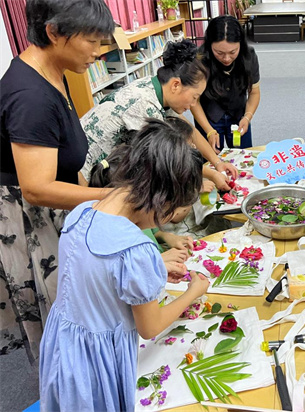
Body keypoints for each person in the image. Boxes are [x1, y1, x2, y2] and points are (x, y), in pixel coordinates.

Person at [39, 118, 211, 411]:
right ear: (162, 200)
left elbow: (95, 274)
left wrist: (154, 265)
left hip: (62, 344)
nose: (164, 221)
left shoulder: (80, 213)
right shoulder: (135, 249)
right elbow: (150, 327)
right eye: (170, 215)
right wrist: (192, 292)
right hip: (96, 361)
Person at [0, 0, 114, 361]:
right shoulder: (30, 96)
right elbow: (36, 188)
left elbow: (65, 154)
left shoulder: (55, 68)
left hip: (55, 206)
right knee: (63, 321)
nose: (98, 53)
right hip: (29, 218)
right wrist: (110, 197)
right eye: (92, 42)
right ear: (53, 32)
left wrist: (94, 202)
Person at [80, 39, 237, 191]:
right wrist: (204, 178)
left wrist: (217, 163)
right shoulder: (145, 106)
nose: (193, 105)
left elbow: (190, 130)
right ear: (176, 85)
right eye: (194, 97)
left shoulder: (157, 88)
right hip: (85, 178)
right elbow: (163, 161)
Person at [88, 140, 194, 281]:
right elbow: (131, 272)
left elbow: (150, 232)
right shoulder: (127, 242)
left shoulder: (132, 216)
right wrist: (158, 261)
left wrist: (165, 236)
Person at [191, 15, 261, 152]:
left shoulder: (249, 56)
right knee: (211, 161)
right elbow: (194, 101)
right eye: (219, 52)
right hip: (209, 116)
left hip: (239, 114)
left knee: (244, 156)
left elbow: (254, 92)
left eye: (233, 52)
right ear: (210, 45)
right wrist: (209, 131)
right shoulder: (200, 59)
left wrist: (248, 116)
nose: (227, 58)